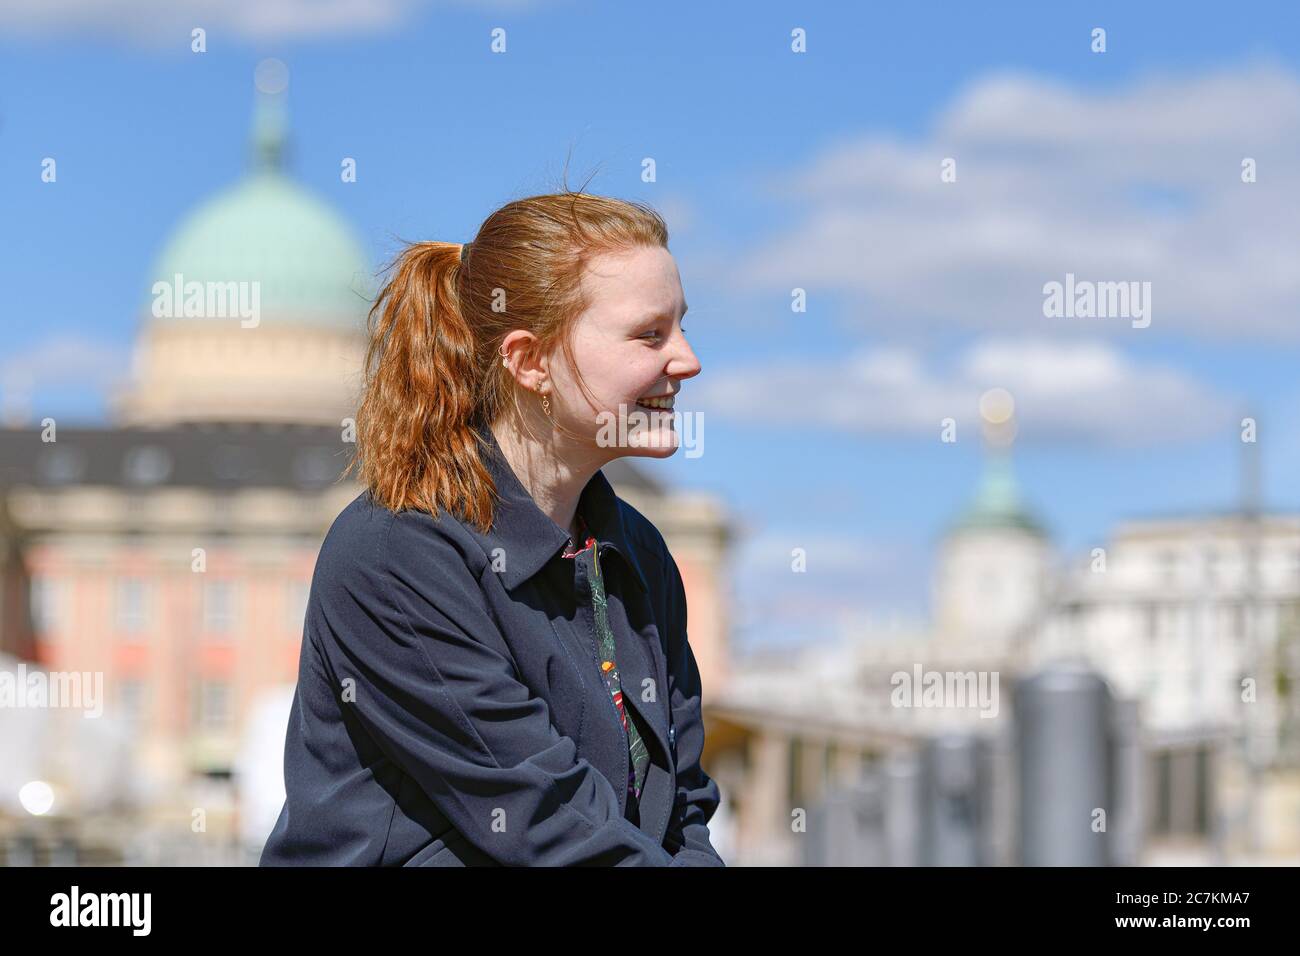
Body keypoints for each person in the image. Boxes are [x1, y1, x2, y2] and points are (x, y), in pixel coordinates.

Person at [259, 189, 725, 866]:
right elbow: (546, 821)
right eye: (650, 334)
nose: (687, 359)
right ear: (530, 360)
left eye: (681, 326)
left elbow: (682, 815)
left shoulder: (641, 552)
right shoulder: (395, 553)